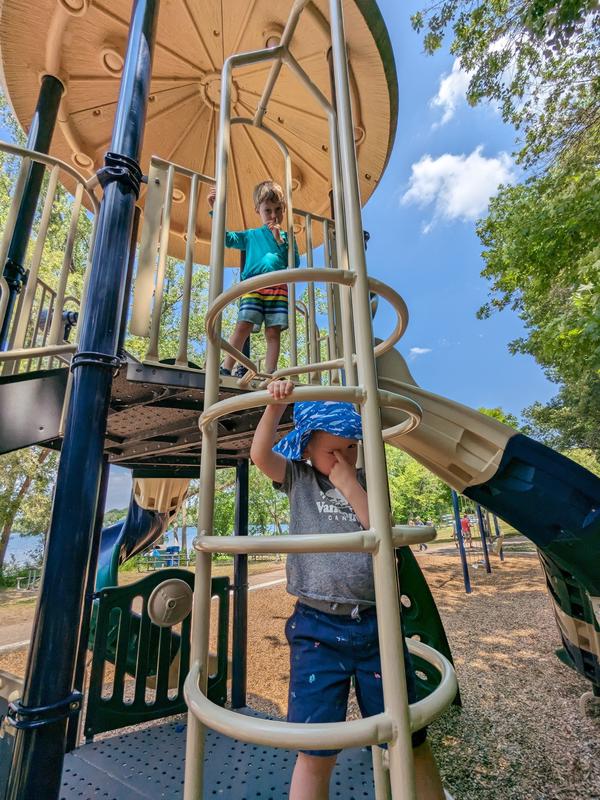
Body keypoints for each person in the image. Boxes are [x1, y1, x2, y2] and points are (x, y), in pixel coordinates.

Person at [250, 380, 446, 800]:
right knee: (315, 747)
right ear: (306, 449)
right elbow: (260, 456)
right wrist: (274, 406)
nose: (343, 458)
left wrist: (350, 484)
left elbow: (382, 529)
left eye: (351, 448)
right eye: (332, 451)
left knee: (408, 737)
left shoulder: (366, 480)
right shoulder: (299, 478)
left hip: (377, 622)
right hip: (316, 626)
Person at [207, 181, 300, 377]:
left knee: (273, 332)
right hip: (253, 286)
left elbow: (294, 262)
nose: (273, 215)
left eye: (278, 209)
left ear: (283, 209)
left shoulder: (286, 237)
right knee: (244, 325)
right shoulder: (251, 235)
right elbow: (227, 239)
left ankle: (271, 373)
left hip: (277, 287)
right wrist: (216, 211)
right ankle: (226, 368)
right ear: (258, 210)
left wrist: (280, 241)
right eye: (268, 210)